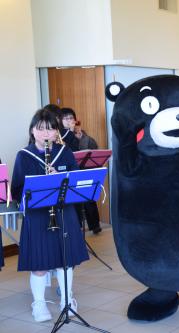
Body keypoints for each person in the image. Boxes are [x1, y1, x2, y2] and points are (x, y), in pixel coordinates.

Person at [10, 109, 89, 322]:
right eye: (40, 129)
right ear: (32, 131)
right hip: (38, 215)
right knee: (40, 264)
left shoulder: (65, 153)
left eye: (51, 129)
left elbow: (75, 182)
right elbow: (16, 189)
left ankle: (66, 299)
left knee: (67, 261)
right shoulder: (24, 155)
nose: (46, 133)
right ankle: (39, 303)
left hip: (64, 213)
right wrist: (39, 184)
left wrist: (60, 178)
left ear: (57, 132)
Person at [60, 108, 102, 234]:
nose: (69, 121)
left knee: (89, 196)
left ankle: (95, 225)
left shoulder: (81, 133)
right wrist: (71, 135)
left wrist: (82, 137)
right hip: (69, 172)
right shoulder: (60, 135)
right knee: (75, 200)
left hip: (83, 169)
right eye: (66, 119)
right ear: (61, 121)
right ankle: (77, 226)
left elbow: (93, 147)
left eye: (71, 118)